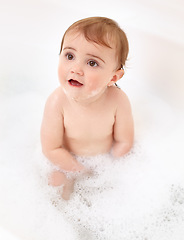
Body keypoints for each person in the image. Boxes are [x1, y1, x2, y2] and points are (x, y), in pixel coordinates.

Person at [40, 17, 134, 200]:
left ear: (113, 77)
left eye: (92, 63)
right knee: (55, 184)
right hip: (65, 161)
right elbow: (51, 148)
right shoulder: (57, 102)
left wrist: (112, 169)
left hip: (104, 163)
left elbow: (124, 141)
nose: (75, 69)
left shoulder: (118, 101)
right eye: (69, 56)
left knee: (117, 194)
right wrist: (79, 170)